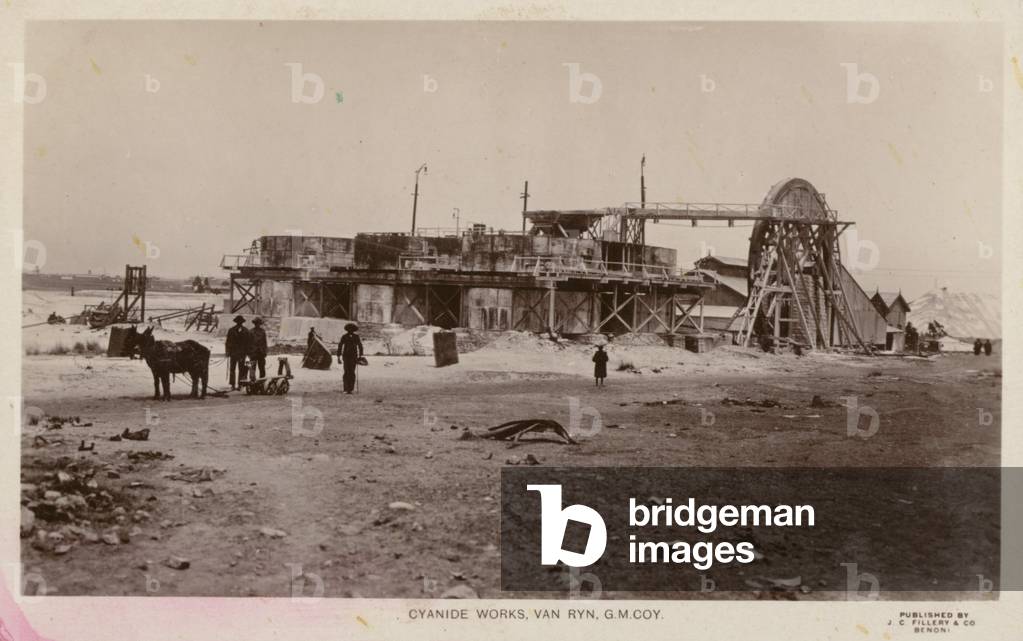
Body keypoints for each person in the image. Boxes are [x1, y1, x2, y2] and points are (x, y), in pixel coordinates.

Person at [337, 323, 364, 394]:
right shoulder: (344, 336)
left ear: (353, 330)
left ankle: (351, 389)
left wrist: (361, 355)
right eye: (349, 329)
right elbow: (340, 346)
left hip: (354, 357)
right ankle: (345, 388)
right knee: (346, 372)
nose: (350, 331)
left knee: (352, 372)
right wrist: (338, 356)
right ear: (347, 330)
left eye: (352, 329)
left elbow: (360, 346)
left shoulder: (356, 337)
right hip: (346, 356)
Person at [226, 315, 251, 390]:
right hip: (234, 353)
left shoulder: (246, 331)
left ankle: (240, 384)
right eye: (238, 322)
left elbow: (248, 343)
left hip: (241, 354)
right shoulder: (231, 330)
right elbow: (228, 342)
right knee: (233, 369)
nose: (239, 323)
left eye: (240, 322)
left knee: (241, 369)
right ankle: (233, 385)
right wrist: (227, 351)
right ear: (236, 322)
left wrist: (248, 353)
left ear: (242, 322)